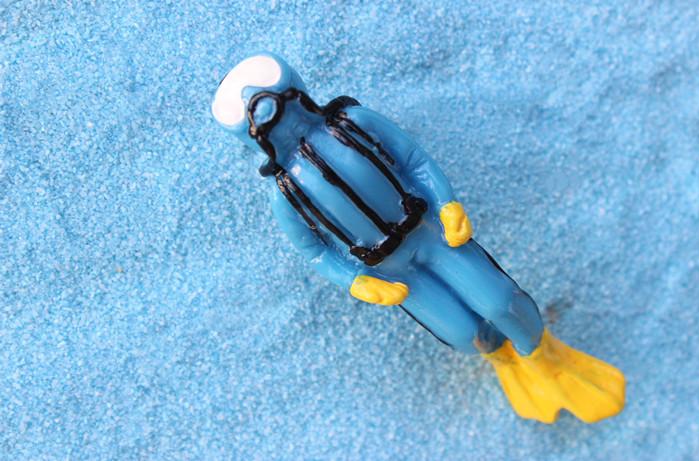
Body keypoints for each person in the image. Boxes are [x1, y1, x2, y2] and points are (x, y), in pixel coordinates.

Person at [211, 52, 625, 423]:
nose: (284, 124)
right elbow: (314, 251)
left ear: (298, 93)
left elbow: (414, 160)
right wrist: (356, 281)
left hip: (430, 234)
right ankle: (511, 366)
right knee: (464, 333)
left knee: (500, 301)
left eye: (284, 106)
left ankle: (545, 355)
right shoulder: (285, 192)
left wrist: (447, 204)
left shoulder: (356, 124)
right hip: (392, 270)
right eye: (266, 125)